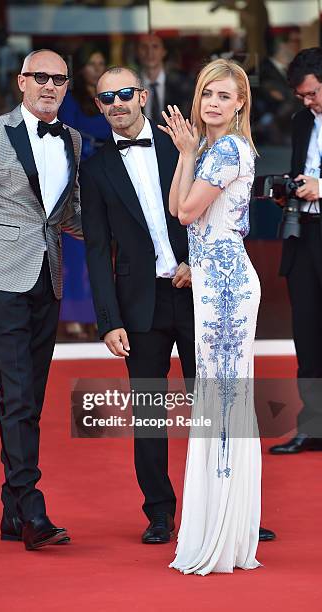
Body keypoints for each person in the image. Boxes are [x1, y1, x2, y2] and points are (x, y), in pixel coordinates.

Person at [0, 49, 82, 550]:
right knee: (19, 396)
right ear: (21, 82)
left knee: (27, 400)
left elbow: (62, 217)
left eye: (59, 79)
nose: (50, 86)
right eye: (41, 77)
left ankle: (12, 511)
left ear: (67, 87)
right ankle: (32, 510)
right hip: (1, 285)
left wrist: (118, 237)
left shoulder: (70, 138)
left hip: (47, 282)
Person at [80, 66, 196, 544]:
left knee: (219, 405)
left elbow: (216, 215)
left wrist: (200, 264)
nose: (117, 103)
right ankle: (159, 513)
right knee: (149, 412)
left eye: (125, 93)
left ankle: (233, 512)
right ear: (99, 106)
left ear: (144, 96)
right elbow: (95, 246)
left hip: (195, 292)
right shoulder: (95, 165)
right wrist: (107, 320)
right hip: (139, 303)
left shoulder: (181, 143)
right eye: (107, 97)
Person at [160, 58, 263, 575]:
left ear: (240, 102)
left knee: (222, 404)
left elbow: (183, 212)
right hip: (213, 284)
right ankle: (220, 525)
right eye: (207, 95)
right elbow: (182, 208)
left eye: (224, 95)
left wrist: (186, 155)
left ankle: (222, 529)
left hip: (226, 289)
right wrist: (184, 155)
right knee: (220, 401)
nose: (214, 104)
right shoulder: (206, 149)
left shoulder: (227, 148)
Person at [270, 47, 322, 455]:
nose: (307, 102)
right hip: (304, 236)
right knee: (307, 336)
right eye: (302, 96)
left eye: (313, 94)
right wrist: (288, 189)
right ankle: (313, 426)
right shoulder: (302, 120)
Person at [58, 45, 111, 339]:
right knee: (77, 255)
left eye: (101, 62)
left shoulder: (109, 99)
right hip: (78, 184)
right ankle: (75, 317)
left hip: (105, 184)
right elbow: (69, 135)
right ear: (80, 69)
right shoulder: (71, 100)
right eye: (92, 63)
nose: (97, 68)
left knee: (100, 255)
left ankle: (96, 316)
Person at [137, 34, 192, 124]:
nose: (150, 52)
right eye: (144, 47)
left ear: (164, 51)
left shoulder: (183, 84)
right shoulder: (131, 84)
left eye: (155, 47)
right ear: (138, 51)